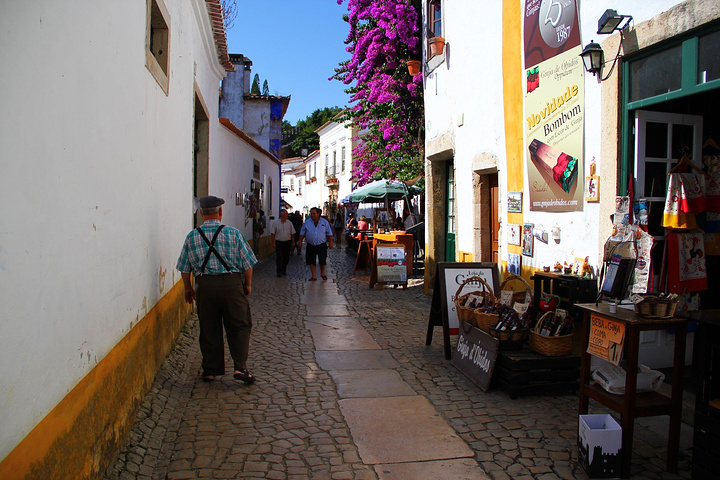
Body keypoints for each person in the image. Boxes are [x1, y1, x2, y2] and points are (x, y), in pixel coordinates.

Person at [176, 196, 257, 384]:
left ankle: (210, 370)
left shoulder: (192, 236)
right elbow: (247, 264)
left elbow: (184, 268)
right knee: (240, 324)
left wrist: (188, 288)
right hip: (231, 285)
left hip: (205, 286)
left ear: (201, 213)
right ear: (220, 212)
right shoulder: (234, 234)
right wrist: (247, 284)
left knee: (208, 327)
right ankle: (240, 367)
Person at [297, 207, 334, 281]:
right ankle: (314, 276)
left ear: (318, 214)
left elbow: (329, 233)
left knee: (322, 260)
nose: (312, 215)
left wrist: (331, 242)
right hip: (311, 244)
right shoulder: (307, 222)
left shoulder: (324, 222)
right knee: (311, 261)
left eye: (314, 213)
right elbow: (303, 232)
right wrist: (300, 241)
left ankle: (322, 273)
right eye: (311, 213)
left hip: (321, 244)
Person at [270, 208, 294, 277]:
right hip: (279, 242)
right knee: (279, 257)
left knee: (286, 257)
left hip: (287, 242)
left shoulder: (289, 223)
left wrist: (293, 242)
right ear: (282, 215)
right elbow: (272, 234)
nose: (287, 215)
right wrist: (273, 243)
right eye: (286, 214)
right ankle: (279, 271)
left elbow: (292, 233)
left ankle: (284, 269)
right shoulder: (276, 223)